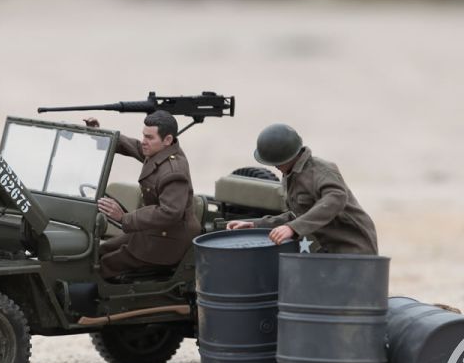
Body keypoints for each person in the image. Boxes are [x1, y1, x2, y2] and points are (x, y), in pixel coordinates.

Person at [84, 111, 201, 279]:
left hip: (169, 241)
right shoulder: (160, 151)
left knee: (104, 265)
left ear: (167, 140)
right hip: (154, 232)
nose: (144, 142)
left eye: (149, 138)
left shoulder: (174, 172)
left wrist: (124, 218)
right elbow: (134, 146)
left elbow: (170, 212)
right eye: (144, 136)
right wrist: (101, 134)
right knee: (99, 251)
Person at [227, 124, 378, 254]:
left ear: (288, 158)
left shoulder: (320, 171)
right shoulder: (291, 175)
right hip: (327, 251)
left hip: (353, 250)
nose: (274, 167)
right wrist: (256, 225)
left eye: (276, 162)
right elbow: (297, 215)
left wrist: (293, 228)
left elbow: (336, 198)